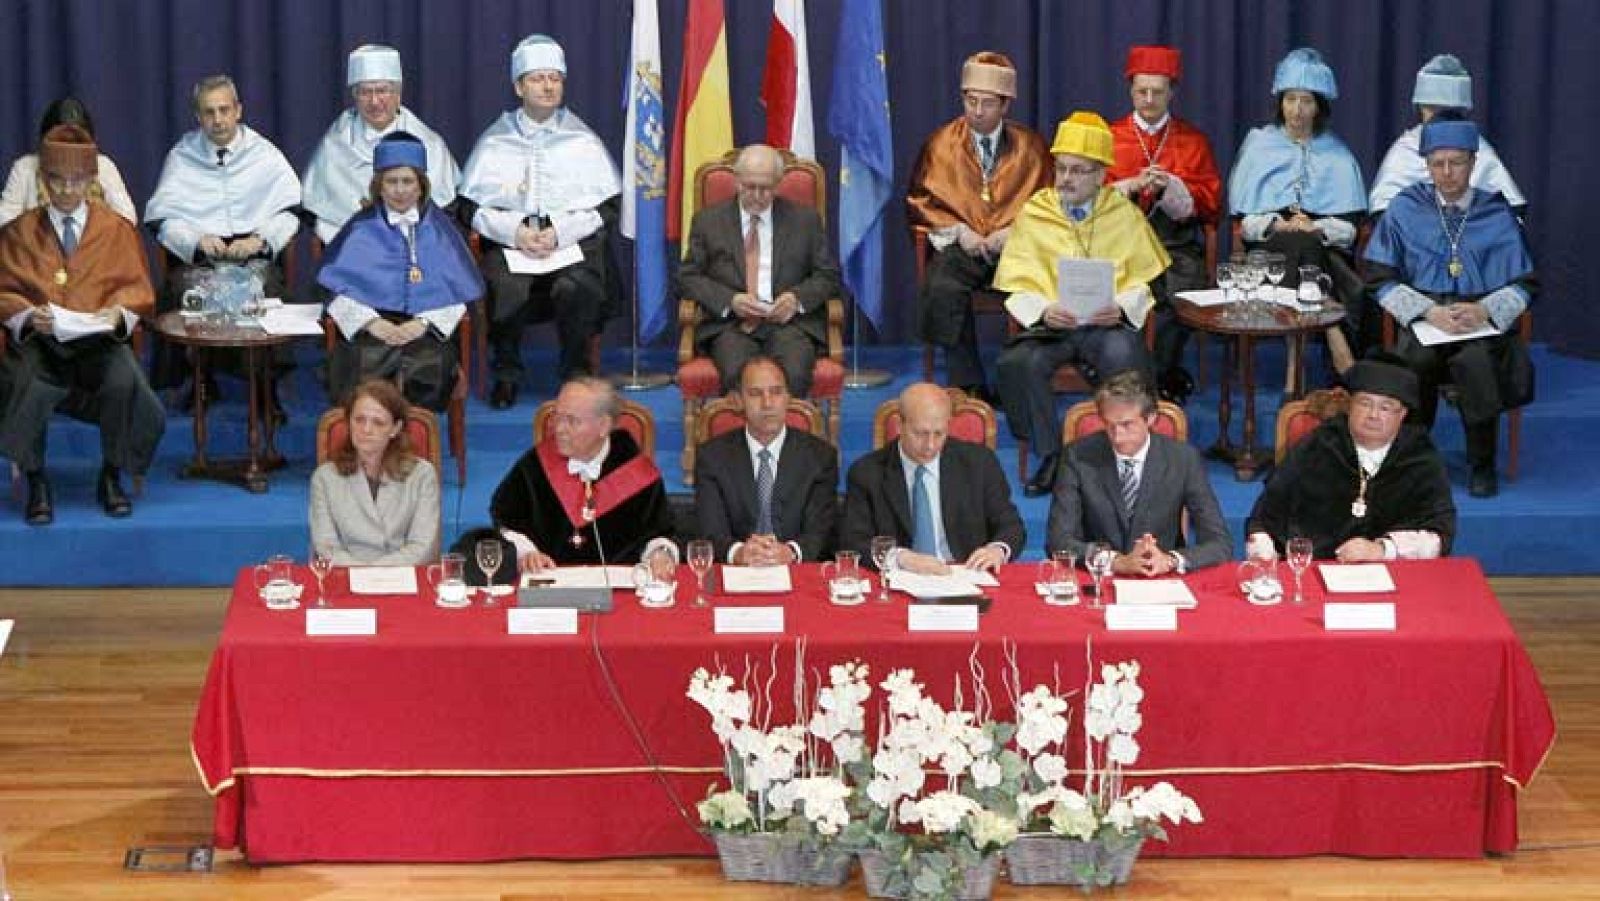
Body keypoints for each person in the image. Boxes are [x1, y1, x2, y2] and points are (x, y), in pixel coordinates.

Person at [993, 111, 1170, 497]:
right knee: (1018, 364)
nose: (1066, 180)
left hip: (1104, 326)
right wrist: (1042, 309)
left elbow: (1146, 282)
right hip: (1052, 328)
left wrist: (1121, 306)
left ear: (1101, 175)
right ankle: (1051, 456)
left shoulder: (1123, 214)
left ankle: (1121, 451)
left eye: (1077, 171)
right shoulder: (1037, 211)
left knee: (1125, 352)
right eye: (1061, 169)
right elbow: (1016, 285)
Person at [1363, 117, 1535, 498]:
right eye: (1437, 163)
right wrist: (1426, 311)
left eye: (1456, 162)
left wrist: (1486, 309)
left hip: (1482, 324)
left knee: (1475, 362)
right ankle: (1413, 458)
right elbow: (1377, 277)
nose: (1446, 172)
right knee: (1417, 362)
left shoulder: (1495, 211)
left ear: (1473, 163)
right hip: (1426, 319)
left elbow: (1526, 283)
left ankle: (1482, 462)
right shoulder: (1406, 208)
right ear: (1426, 164)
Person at [0, 124, 163, 524]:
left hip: (97, 343)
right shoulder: (19, 232)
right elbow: (4, 290)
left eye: (76, 180)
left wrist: (118, 314)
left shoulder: (116, 230)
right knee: (25, 378)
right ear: (43, 182)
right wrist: (25, 315)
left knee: (125, 379)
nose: (67, 190)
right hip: (40, 343)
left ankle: (111, 474)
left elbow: (138, 291)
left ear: (92, 181)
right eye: (57, 180)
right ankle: (36, 478)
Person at [459, 34, 621, 409]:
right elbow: (471, 209)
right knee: (505, 284)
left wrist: (559, 234)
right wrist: (513, 232)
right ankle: (507, 373)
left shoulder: (583, 140)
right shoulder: (495, 141)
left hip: (569, 246)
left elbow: (606, 208)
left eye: (555, 78)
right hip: (513, 244)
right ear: (519, 86)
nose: (548, 87)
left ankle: (574, 375)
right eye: (537, 78)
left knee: (577, 287)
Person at [905, 51, 1052, 400]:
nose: (977, 110)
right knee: (941, 287)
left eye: (987, 103)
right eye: (971, 101)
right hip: (962, 246)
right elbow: (919, 200)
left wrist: (1013, 232)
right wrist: (958, 231)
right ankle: (968, 382)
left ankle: (1017, 379)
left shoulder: (1030, 147)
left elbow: (1049, 205)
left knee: (1039, 285)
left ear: (1005, 106)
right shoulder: (940, 143)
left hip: (1014, 247)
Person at [144, 75, 302, 396]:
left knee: (266, 286)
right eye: (208, 112)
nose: (217, 120)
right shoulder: (182, 156)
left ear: (238, 110)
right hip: (202, 259)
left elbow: (291, 210)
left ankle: (265, 387)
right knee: (186, 289)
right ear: (197, 116)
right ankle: (201, 379)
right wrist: (195, 241)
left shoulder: (264, 153)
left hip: (252, 254)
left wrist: (261, 240)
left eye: (224, 110)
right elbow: (162, 218)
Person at [318, 132, 484, 411]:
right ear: (379, 187)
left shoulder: (441, 230)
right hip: (371, 329)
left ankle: (415, 438)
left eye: (408, 181)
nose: (400, 190)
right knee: (361, 364)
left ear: (421, 186)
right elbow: (336, 290)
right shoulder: (361, 228)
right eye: (391, 182)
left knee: (430, 366)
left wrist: (421, 324)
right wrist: (373, 324)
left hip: (425, 330)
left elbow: (459, 292)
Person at [1227, 48, 1365, 371]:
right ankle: (1328, 330)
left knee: (1307, 245)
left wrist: (1316, 228)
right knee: (1299, 245)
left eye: (1307, 101)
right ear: (1280, 102)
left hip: (1321, 247)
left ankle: (1295, 359)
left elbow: (1350, 232)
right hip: (1272, 245)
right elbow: (1244, 225)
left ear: (1320, 107)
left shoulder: (1338, 154)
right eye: (1290, 100)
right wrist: (1277, 224)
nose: (1297, 110)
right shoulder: (1259, 144)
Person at [1246, 355, 1456, 562]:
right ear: (1350, 406)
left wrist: (1383, 549)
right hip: (1317, 570)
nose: (1373, 415)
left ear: (1402, 415)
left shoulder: (1420, 457)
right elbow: (1264, 518)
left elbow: (1440, 534)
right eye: (1365, 403)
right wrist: (1265, 559)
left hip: (1396, 574)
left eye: (1385, 408)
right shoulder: (1318, 446)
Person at [677, 143, 841, 396]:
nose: (756, 195)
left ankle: (791, 434)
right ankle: (742, 435)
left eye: (765, 188)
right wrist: (730, 300)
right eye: (749, 186)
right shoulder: (709, 221)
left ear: (778, 184)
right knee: (740, 376)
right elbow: (688, 277)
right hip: (731, 326)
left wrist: (796, 299)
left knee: (794, 374)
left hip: (789, 326)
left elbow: (827, 276)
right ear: (737, 181)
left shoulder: (805, 220)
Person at [1107, 46, 1222, 405]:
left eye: (1158, 91)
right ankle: (1140, 378)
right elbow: (1087, 198)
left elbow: (1211, 202)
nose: (1149, 99)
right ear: (1130, 90)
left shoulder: (1193, 140)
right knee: (1125, 297)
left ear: (1172, 91)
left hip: (1175, 245)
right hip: (1120, 246)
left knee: (1175, 298)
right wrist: (1129, 186)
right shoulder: (1109, 136)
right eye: (1142, 91)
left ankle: (1151, 382)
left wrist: (1174, 188)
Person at [1045, 369, 1230, 573]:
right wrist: (1115, 562)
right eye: (1109, 425)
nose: (1117, 437)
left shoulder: (1183, 459)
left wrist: (1170, 561)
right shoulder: (1078, 456)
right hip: (1098, 579)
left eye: (1126, 425)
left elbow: (1219, 544)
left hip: (1161, 581)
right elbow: (1058, 541)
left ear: (1150, 418)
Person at [490, 376, 676, 569]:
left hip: (623, 586)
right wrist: (526, 552)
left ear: (603, 426)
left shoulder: (637, 473)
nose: (559, 429)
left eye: (572, 421)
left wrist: (659, 554)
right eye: (557, 417)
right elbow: (506, 520)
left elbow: (659, 533)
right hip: (550, 584)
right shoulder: (534, 467)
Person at [841, 382, 1024, 575]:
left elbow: (1010, 525)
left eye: (939, 434)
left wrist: (997, 550)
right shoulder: (867, 472)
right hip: (901, 577)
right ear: (901, 425)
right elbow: (852, 540)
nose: (930, 445)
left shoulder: (979, 463)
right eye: (920, 434)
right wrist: (900, 558)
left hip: (964, 575)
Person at [302, 44, 462, 245]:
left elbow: (444, 210)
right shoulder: (335, 144)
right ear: (354, 96)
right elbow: (318, 212)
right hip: (352, 248)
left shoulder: (428, 143)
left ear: (398, 94)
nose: (374, 101)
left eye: (382, 91)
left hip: (416, 245)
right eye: (365, 92)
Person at [694, 356, 838, 564]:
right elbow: (710, 531)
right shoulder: (712, 457)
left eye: (776, 392)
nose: (767, 403)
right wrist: (738, 553)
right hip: (737, 575)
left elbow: (822, 531)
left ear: (789, 397)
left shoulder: (820, 456)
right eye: (755, 394)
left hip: (796, 574)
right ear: (738, 400)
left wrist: (791, 552)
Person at [1368, 55, 1524, 216]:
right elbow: (1384, 214)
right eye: (1433, 109)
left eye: (1447, 111)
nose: (1440, 120)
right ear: (1420, 108)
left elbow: (1510, 212)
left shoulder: (1478, 148)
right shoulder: (1405, 149)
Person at [310, 378, 440, 565]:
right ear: (349, 422)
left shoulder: (422, 475)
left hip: (402, 576)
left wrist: (378, 573)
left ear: (395, 428)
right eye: (359, 420)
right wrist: (362, 575)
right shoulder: (325, 478)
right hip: (346, 576)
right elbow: (326, 547)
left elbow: (423, 547)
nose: (366, 430)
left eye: (378, 423)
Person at [0, 97, 137, 227]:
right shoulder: (25, 167)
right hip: (38, 246)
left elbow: (128, 218)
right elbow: (5, 221)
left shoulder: (103, 165)